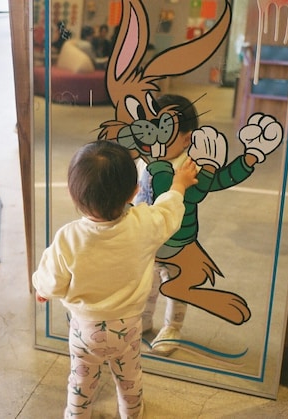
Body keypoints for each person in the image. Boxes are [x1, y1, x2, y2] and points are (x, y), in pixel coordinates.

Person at [33, 140, 198, 419]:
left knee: (81, 381)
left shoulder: (68, 238)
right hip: (127, 328)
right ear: (134, 191)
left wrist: (42, 290)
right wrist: (179, 184)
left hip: (85, 330)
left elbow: (52, 281)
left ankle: (76, 415)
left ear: (73, 194)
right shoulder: (144, 223)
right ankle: (132, 414)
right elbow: (169, 212)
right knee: (130, 379)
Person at [137, 94, 200, 356]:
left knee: (175, 286)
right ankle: (143, 321)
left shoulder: (187, 167)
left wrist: (181, 183)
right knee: (146, 283)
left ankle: (172, 328)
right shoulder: (145, 160)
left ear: (186, 139)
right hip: (146, 238)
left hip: (175, 242)